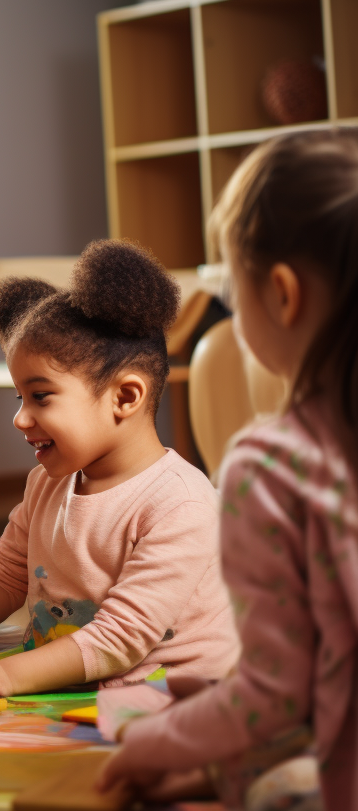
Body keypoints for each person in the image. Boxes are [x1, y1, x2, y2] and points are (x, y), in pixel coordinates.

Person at [98, 129, 358, 809]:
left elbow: (275, 698)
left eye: (232, 292)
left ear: (281, 294)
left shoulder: (274, 467)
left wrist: (154, 742)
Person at [0, 239, 238, 697]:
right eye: (19, 397)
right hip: (78, 680)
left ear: (125, 397)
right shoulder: (47, 484)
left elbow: (120, 638)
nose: (20, 418)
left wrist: (8, 675)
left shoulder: (182, 505)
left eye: (41, 396)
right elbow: (2, 580)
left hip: (174, 696)